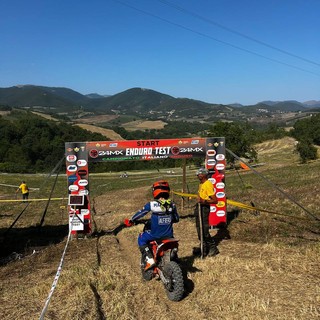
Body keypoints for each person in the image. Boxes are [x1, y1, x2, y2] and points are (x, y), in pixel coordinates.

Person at [127, 180, 179, 270]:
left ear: (155, 191)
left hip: (156, 235)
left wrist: (131, 220)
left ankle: (150, 259)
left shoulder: (152, 204)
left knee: (141, 238)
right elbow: (176, 219)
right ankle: (174, 258)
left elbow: (141, 213)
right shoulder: (172, 205)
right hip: (169, 235)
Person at [193, 168, 219, 257]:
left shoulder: (208, 184)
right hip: (199, 208)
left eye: (199, 174)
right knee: (199, 229)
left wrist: (205, 202)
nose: (198, 176)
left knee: (204, 230)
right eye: (197, 174)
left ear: (204, 175)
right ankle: (203, 248)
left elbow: (215, 200)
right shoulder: (201, 184)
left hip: (204, 208)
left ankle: (213, 248)